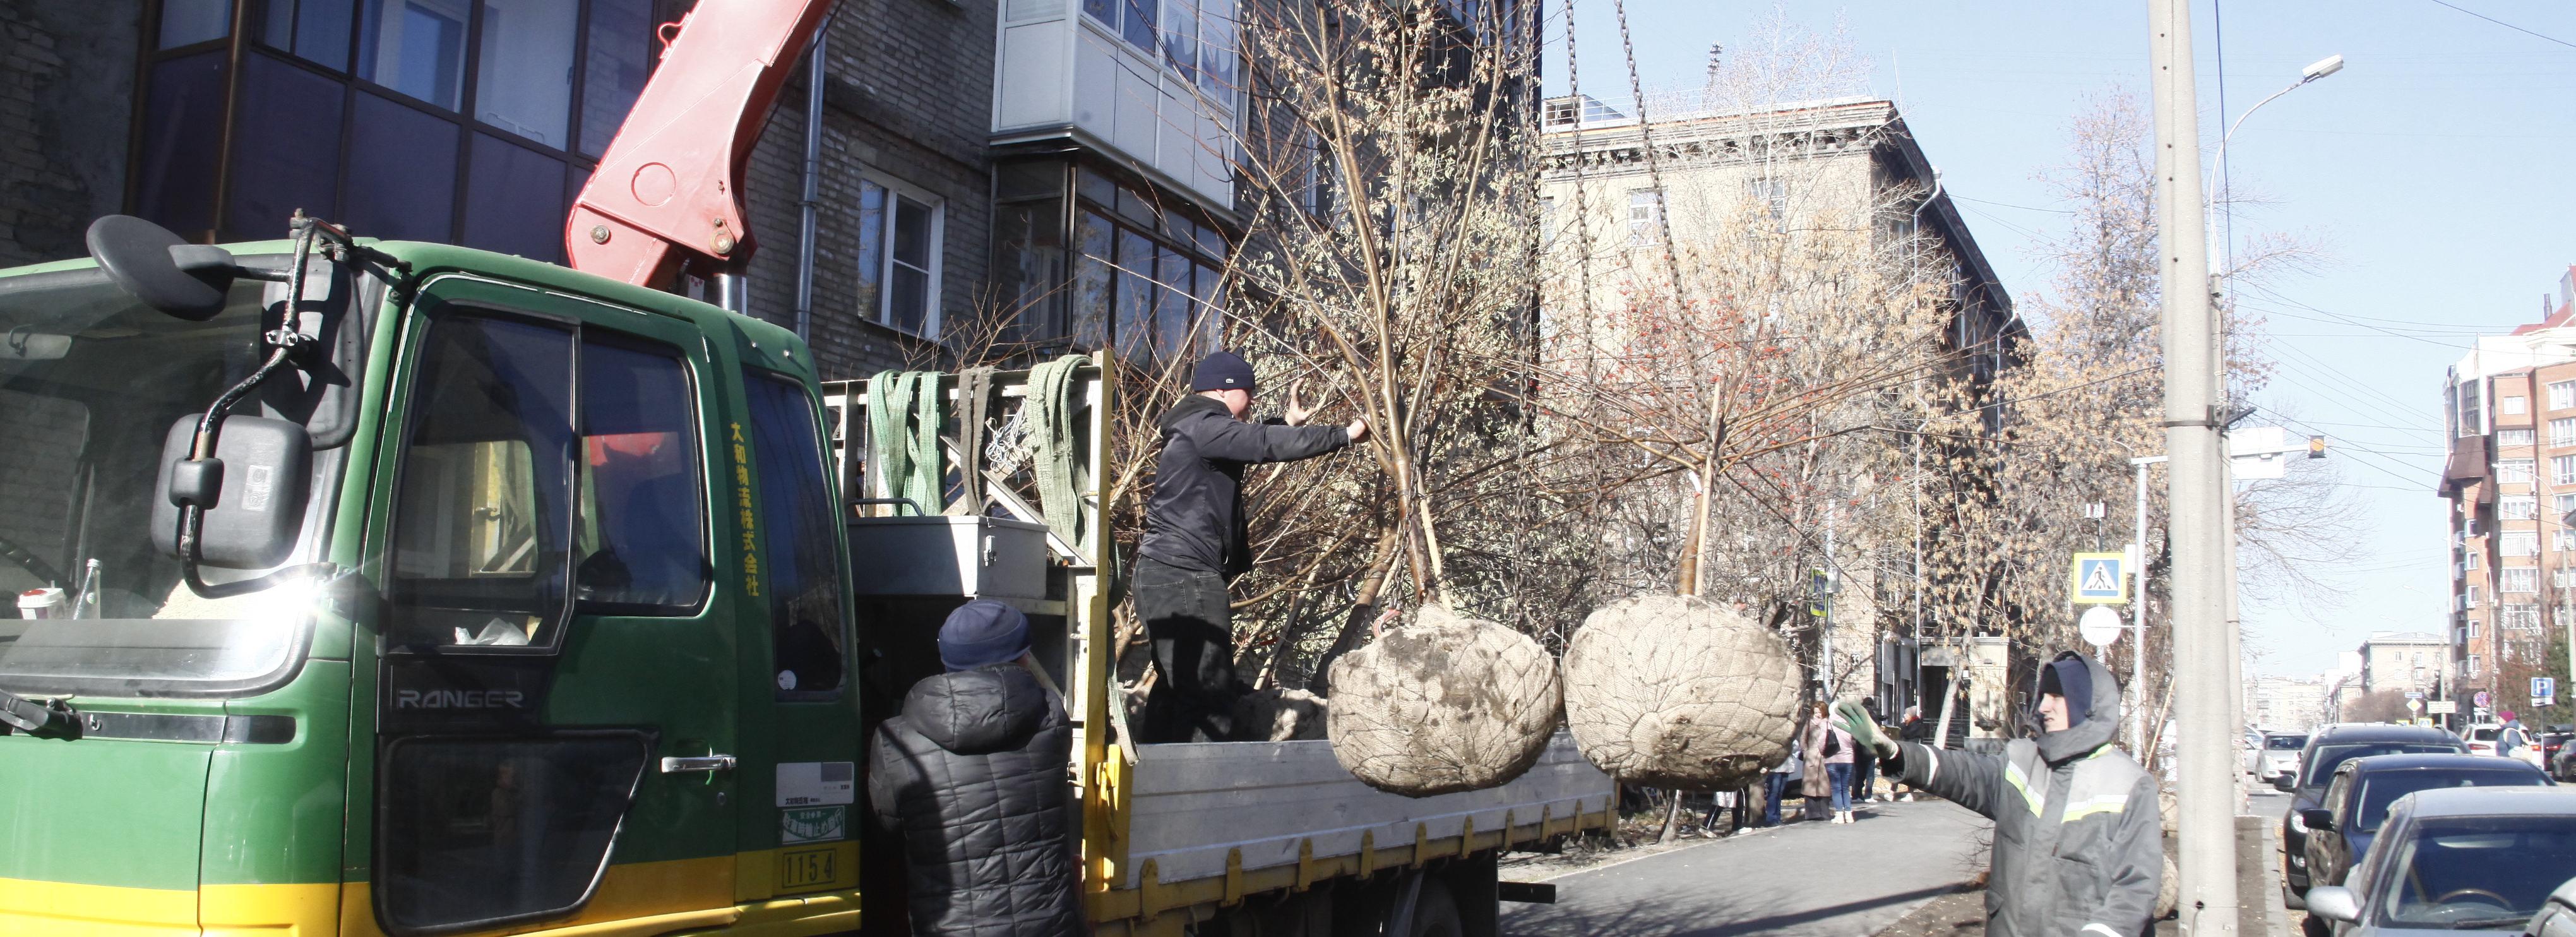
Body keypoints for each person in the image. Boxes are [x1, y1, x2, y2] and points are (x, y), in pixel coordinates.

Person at [1836, 652, 2161, 937]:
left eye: (2056, 697)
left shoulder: (2129, 783)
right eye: (2043, 694)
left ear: (2085, 706)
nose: (2043, 705)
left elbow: (2136, 886)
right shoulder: (2022, 759)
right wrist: (1895, 751)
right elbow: (1962, 772)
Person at [1134, 352, 1368, 743]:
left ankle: (1155, 778)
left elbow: (1250, 441)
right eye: (1250, 391)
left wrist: (1287, 424)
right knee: (1209, 690)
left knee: (1180, 689)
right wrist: (1343, 435)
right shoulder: (1203, 425)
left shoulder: (1197, 426)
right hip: (1183, 574)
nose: (1255, 399)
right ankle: (1207, 789)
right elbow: (1262, 443)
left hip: (1168, 572)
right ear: (1227, 391)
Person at [866, 600, 1086, 936]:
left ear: (946, 659)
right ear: (1024, 658)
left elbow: (888, 827)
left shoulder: (895, 740)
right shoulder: (1051, 719)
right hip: (1049, 926)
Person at [1800, 703, 1836, 822]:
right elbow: (1803, 738)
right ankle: (1812, 814)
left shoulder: (1828, 723)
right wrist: (1806, 752)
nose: (1817, 715)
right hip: (1811, 757)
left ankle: (1824, 813)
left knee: (1824, 787)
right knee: (1810, 787)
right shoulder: (1809, 723)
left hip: (1824, 757)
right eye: (1815, 712)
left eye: (1819, 712)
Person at [1761, 736, 1804, 829]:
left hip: (1786, 767)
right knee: (1773, 793)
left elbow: (1796, 746)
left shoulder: (1790, 737)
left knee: (1780, 794)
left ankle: (1777, 818)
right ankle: (1771, 819)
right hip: (1774, 769)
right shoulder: (1773, 737)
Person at [1849, 698, 1883, 805]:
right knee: (1870, 774)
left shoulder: (1857, 715)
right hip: (1870, 748)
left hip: (1858, 748)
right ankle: (1868, 795)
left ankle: (1856, 795)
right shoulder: (1873, 716)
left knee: (1858, 773)